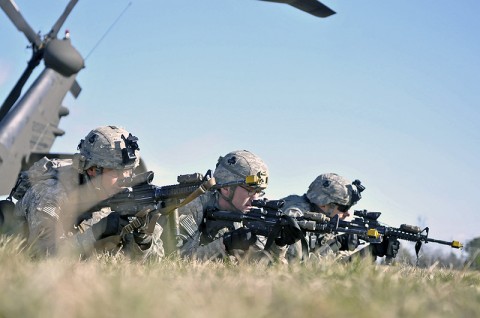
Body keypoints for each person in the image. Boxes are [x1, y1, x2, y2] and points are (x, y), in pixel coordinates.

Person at [11, 125, 164, 260]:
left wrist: (143, 239)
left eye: (129, 171)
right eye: (117, 171)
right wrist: (101, 228)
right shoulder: (51, 192)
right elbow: (44, 255)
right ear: (92, 170)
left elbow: (155, 264)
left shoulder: (122, 196)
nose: (125, 179)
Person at [170, 150, 300, 263]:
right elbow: (177, 260)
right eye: (250, 189)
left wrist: (278, 244)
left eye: (258, 191)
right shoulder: (193, 204)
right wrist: (224, 245)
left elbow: (262, 269)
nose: (255, 198)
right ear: (226, 187)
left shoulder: (249, 214)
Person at [281, 173, 399, 263]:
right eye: (344, 208)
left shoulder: (324, 219)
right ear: (324, 203)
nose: (348, 213)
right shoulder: (295, 214)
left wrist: (371, 251)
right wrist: (336, 243)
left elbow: (336, 267)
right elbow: (298, 265)